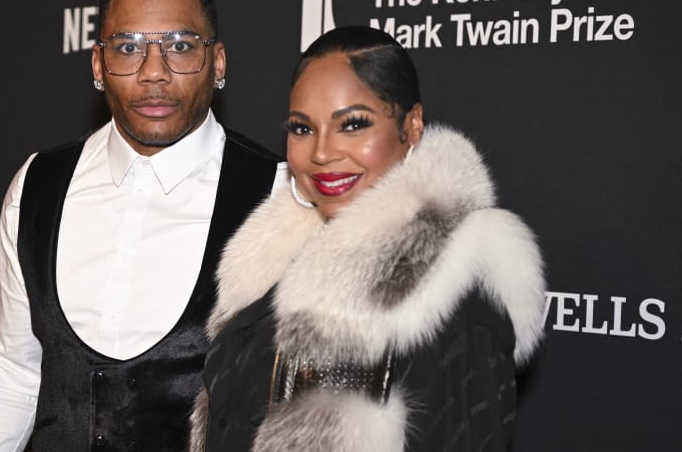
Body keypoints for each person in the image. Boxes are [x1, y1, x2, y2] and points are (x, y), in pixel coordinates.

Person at [0, 0, 284, 452]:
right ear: (98, 65)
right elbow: (8, 368)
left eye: (179, 46)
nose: (154, 73)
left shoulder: (277, 195)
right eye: (128, 48)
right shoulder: (37, 185)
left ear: (218, 64)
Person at [190, 26, 546, 452]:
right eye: (302, 129)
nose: (322, 153)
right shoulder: (275, 261)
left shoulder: (454, 287)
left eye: (353, 124)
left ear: (411, 127)